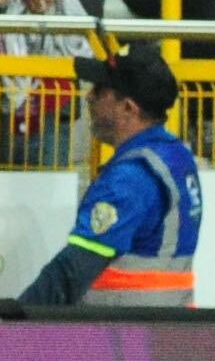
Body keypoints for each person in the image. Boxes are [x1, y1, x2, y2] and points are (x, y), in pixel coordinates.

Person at [19, 44, 202, 305]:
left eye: (100, 90)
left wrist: (11, 324)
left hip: (124, 333)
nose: (89, 97)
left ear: (128, 107)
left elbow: (71, 272)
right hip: (167, 329)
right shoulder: (175, 156)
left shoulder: (130, 178)